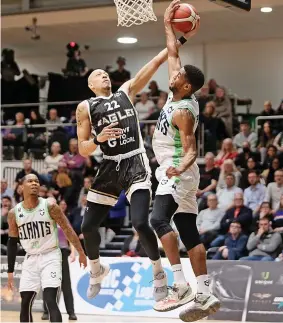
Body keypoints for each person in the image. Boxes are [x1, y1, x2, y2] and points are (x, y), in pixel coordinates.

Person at [75, 8, 193, 302]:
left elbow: (155, 62)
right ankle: (95, 269)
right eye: (97, 75)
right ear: (91, 85)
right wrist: (98, 140)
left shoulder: (125, 91)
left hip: (136, 162)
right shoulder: (85, 107)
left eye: (105, 73)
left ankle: (158, 273)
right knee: (88, 226)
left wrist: (179, 39)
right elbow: (82, 147)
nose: (103, 75)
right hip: (109, 167)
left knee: (141, 222)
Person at [150, 1, 220, 320]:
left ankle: (180, 285)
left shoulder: (182, 111)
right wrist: (169, 24)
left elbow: (192, 148)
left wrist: (179, 166)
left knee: (157, 219)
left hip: (178, 172)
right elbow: (173, 52)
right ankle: (205, 294)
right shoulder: (177, 94)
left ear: (186, 85)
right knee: (188, 231)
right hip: (183, 175)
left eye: (177, 75)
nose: (173, 72)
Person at [7, 174, 87, 323]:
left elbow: (68, 229)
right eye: (30, 181)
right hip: (30, 257)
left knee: (50, 299)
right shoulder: (14, 213)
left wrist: (81, 252)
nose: (34, 183)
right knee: (25, 302)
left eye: (37, 181)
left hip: (51, 255)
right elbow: (12, 242)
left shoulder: (50, 206)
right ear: (21, 187)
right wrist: (10, 271)